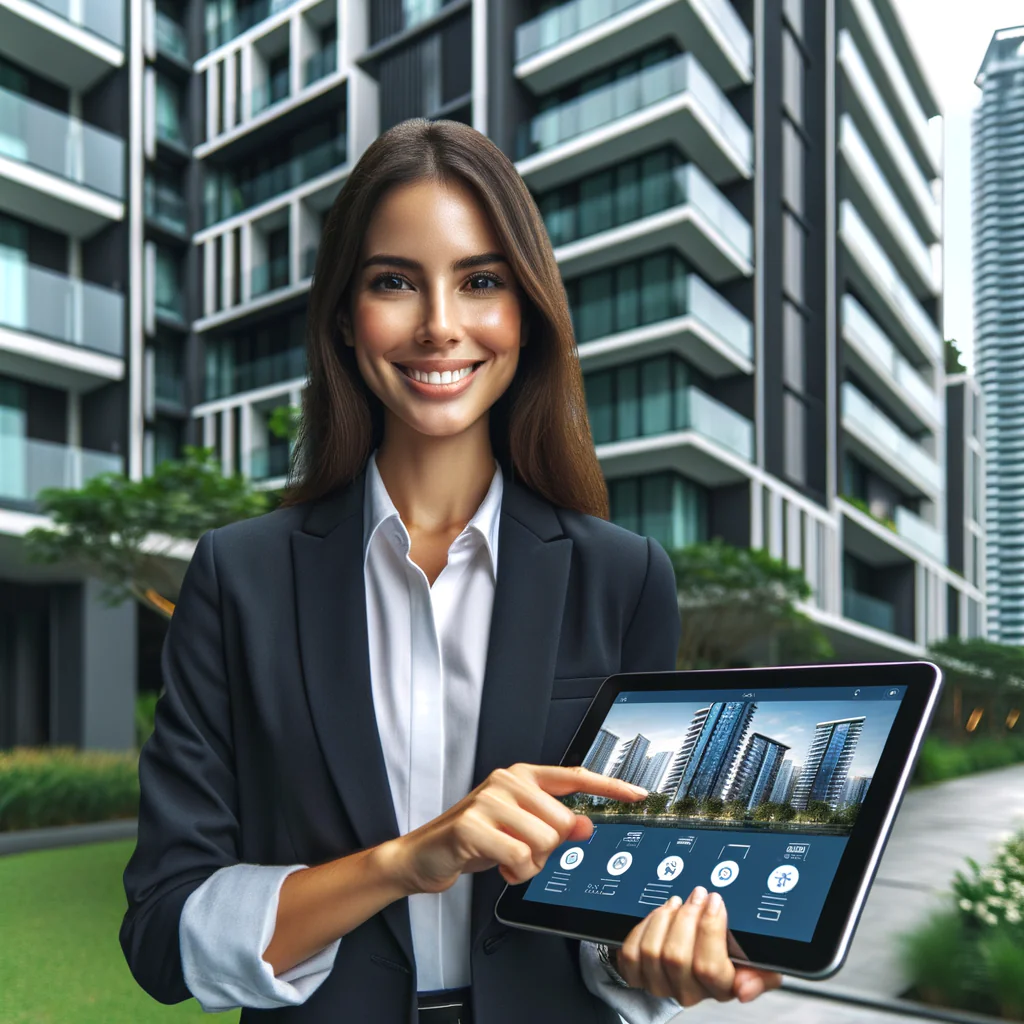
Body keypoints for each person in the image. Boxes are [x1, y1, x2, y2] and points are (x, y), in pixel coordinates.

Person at [119, 118, 782, 1024]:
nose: (440, 326)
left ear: (526, 313)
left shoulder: (624, 577)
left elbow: (622, 902)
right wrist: (405, 860)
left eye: (480, 282)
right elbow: (165, 934)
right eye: (395, 282)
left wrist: (661, 960)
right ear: (347, 320)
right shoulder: (241, 577)